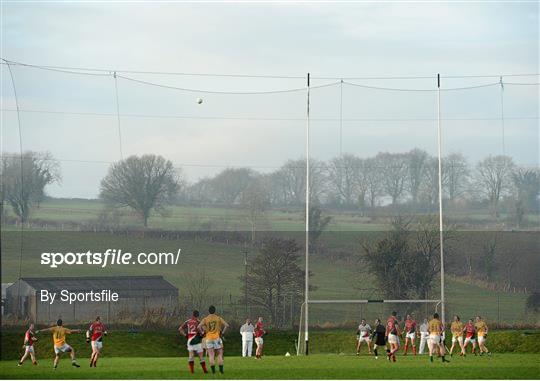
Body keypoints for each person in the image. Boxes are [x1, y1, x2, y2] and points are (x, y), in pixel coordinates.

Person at [198, 305, 229, 374]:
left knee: (211, 355)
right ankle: (221, 371)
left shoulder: (205, 319)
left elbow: (198, 327)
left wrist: (203, 333)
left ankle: (213, 371)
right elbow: (227, 325)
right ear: (215, 311)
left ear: (208, 311)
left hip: (208, 338)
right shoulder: (218, 318)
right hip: (217, 338)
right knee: (219, 354)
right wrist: (222, 333)